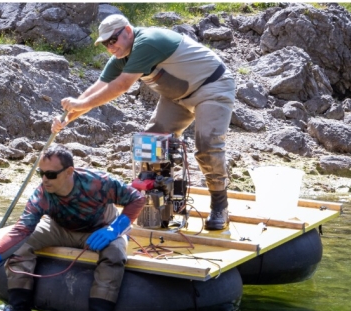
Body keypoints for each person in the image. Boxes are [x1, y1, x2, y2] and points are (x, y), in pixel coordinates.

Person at [52, 14, 236, 230]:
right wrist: (65, 119)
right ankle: (157, 206)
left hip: (213, 87)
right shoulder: (121, 57)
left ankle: (219, 206)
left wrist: (78, 105)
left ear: (128, 31)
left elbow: (121, 86)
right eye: (105, 44)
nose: (110, 47)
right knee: (151, 143)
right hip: (178, 97)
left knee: (207, 145)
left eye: (113, 40)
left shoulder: (147, 41)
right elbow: (95, 90)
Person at [0, 145, 145, 311]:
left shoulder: (98, 182)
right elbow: (21, 230)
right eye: (41, 173)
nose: (45, 179)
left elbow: (136, 199)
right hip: (59, 228)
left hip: (101, 229)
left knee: (115, 254)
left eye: (51, 175)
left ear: (69, 172)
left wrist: (113, 230)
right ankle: (18, 307)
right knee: (20, 246)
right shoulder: (41, 194)